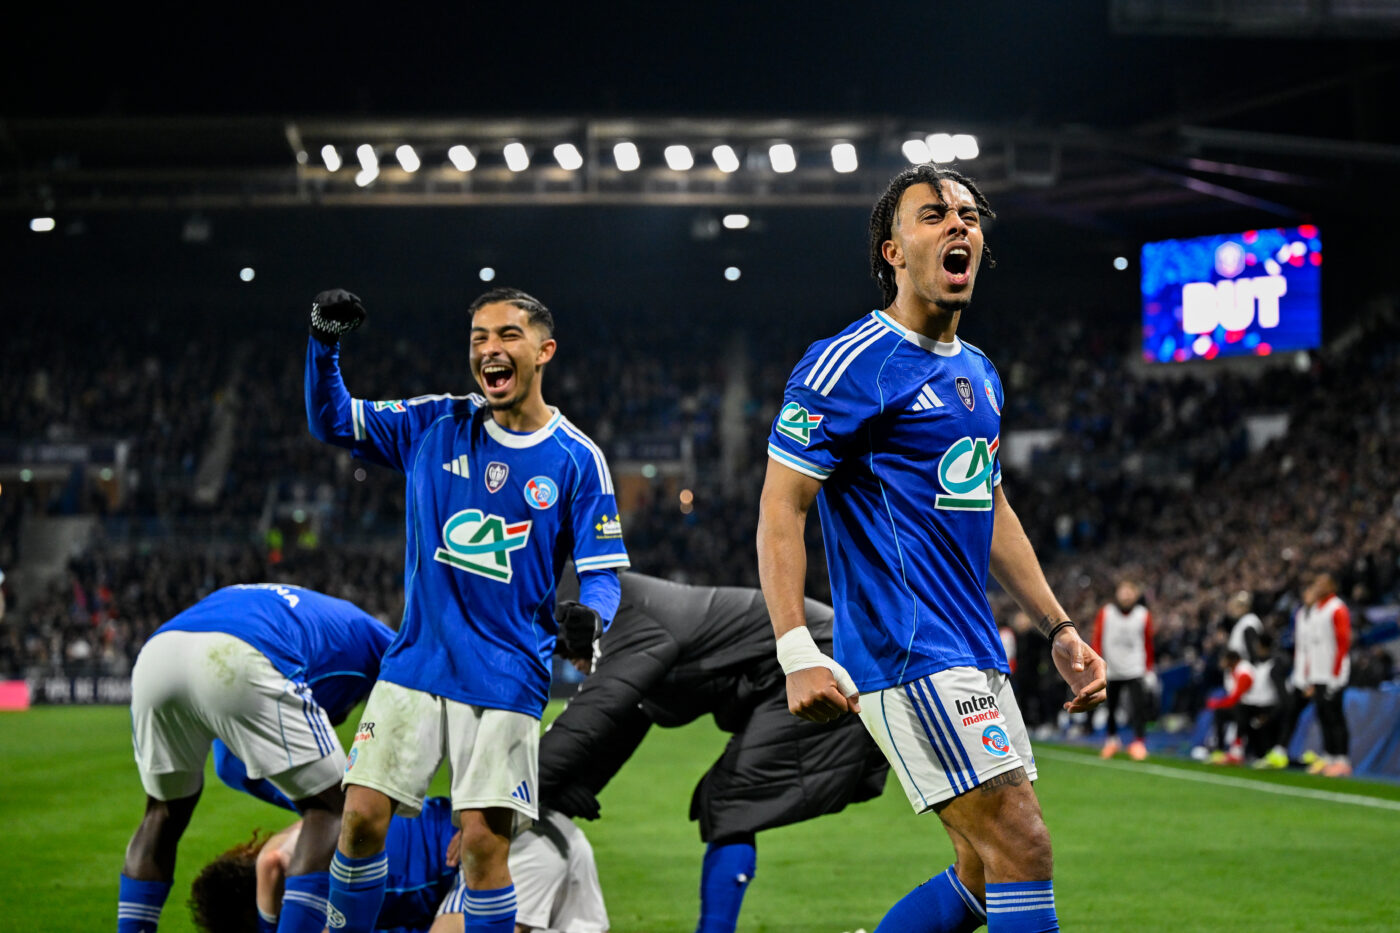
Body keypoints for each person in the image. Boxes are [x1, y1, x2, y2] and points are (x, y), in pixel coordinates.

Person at [757, 163, 1107, 933]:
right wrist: (796, 650)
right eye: (934, 214)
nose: (958, 225)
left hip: (973, 647)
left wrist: (1058, 626)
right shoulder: (848, 363)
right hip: (907, 647)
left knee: (983, 871)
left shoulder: (979, 372)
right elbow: (782, 506)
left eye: (969, 216)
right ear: (893, 251)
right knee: (1023, 842)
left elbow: (990, 504)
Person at [305, 287, 629, 932]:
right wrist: (324, 343)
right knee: (360, 818)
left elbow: (602, 575)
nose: (489, 349)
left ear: (544, 351)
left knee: (482, 845)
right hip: (418, 662)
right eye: (479, 337)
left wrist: (591, 618)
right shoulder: (434, 424)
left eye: (507, 335)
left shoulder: (577, 459)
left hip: (507, 675)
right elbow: (332, 420)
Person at [539, 571, 889, 933]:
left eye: (564, 646)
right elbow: (625, 719)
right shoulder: (628, 613)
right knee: (727, 800)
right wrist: (573, 786)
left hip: (819, 665)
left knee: (729, 800)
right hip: (817, 661)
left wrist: (521, 788)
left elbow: (594, 713)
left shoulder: (628, 619)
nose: (567, 657)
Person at [119, 583, 394, 933]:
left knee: (161, 815)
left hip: (158, 653)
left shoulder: (317, 621)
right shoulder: (379, 641)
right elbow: (422, 680)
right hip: (244, 653)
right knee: (337, 812)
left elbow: (229, 763)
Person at [190, 798, 607, 933]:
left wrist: (268, 925)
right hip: (543, 833)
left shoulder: (297, 862)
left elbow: (271, 861)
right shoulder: (315, 838)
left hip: (498, 851)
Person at [1291, 572, 1353, 777]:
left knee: (1335, 716)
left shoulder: (1337, 608)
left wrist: (1337, 674)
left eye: (1322, 583)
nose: (1317, 586)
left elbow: (1343, 643)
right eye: (1316, 583)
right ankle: (1329, 755)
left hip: (1332, 673)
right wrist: (1307, 676)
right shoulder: (1316, 610)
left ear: (1332, 585)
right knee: (1323, 716)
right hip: (1317, 673)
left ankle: (1342, 759)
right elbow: (1309, 647)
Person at [1091, 580, 1154, 760]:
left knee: (1138, 707)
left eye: (1129, 592)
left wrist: (1149, 668)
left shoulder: (1143, 615)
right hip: (1111, 669)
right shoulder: (1106, 613)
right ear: (1117, 593)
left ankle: (1139, 742)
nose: (1126, 596)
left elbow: (1148, 643)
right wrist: (1097, 664)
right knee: (1110, 708)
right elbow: (1097, 639)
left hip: (1136, 668)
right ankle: (1111, 740)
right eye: (1123, 591)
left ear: (1135, 594)